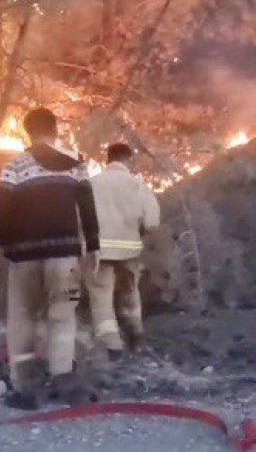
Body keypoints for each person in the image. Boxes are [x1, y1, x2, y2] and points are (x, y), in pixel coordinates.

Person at [0, 107, 100, 410]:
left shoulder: (17, 164)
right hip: (65, 256)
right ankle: (65, 382)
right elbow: (87, 207)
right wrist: (94, 246)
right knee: (63, 315)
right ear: (55, 131)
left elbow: (0, 203)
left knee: (22, 318)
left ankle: (25, 389)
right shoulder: (76, 165)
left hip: (24, 256)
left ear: (28, 133)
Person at [84, 143, 160, 358]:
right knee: (129, 291)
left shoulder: (92, 184)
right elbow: (152, 220)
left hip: (99, 250)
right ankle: (135, 335)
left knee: (101, 295)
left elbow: (78, 216)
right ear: (129, 160)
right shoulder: (138, 185)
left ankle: (112, 344)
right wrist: (140, 230)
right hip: (130, 250)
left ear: (107, 160)